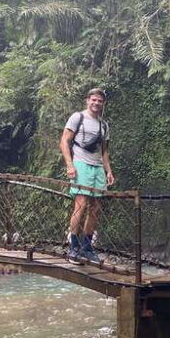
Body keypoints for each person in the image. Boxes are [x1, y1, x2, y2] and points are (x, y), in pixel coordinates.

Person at [60, 88, 114, 264]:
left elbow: (104, 151)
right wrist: (70, 165)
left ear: (103, 104)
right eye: (94, 100)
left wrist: (109, 171)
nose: (96, 103)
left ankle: (87, 247)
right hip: (81, 165)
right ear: (88, 100)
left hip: (97, 167)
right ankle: (73, 247)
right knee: (81, 205)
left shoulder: (104, 125)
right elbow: (64, 141)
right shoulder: (78, 117)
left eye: (100, 101)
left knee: (96, 208)